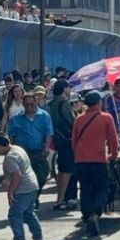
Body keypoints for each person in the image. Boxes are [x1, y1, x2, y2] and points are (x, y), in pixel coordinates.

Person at [71, 91, 119, 238]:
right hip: (99, 159)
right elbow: (113, 139)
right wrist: (113, 155)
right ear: (99, 102)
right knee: (102, 189)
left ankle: (87, 215)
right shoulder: (106, 117)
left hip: (81, 160)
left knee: (85, 189)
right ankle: (95, 214)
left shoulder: (79, 119)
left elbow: (74, 142)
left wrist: (79, 155)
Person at [0, 134, 45, 240]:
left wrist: (10, 192)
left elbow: (17, 175)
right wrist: (7, 178)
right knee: (28, 213)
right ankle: (38, 239)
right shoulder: (17, 149)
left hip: (23, 189)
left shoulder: (10, 157)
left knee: (14, 214)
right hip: (32, 186)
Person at [8, 91, 54, 194]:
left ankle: (35, 195)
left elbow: (48, 133)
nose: (29, 106)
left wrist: (47, 147)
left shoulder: (44, 116)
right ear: (23, 104)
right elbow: (11, 136)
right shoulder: (16, 119)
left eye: (32, 104)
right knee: (27, 178)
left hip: (39, 152)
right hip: (24, 153)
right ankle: (31, 200)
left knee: (43, 175)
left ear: (36, 102)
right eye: (27, 104)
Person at [47, 79, 78, 211]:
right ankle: (63, 199)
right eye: (68, 87)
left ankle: (62, 198)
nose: (70, 90)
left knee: (62, 170)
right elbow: (72, 121)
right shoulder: (64, 103)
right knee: (68, 170)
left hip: (58, 139)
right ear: (64, 89)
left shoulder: (51, 103)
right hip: (67, 139)